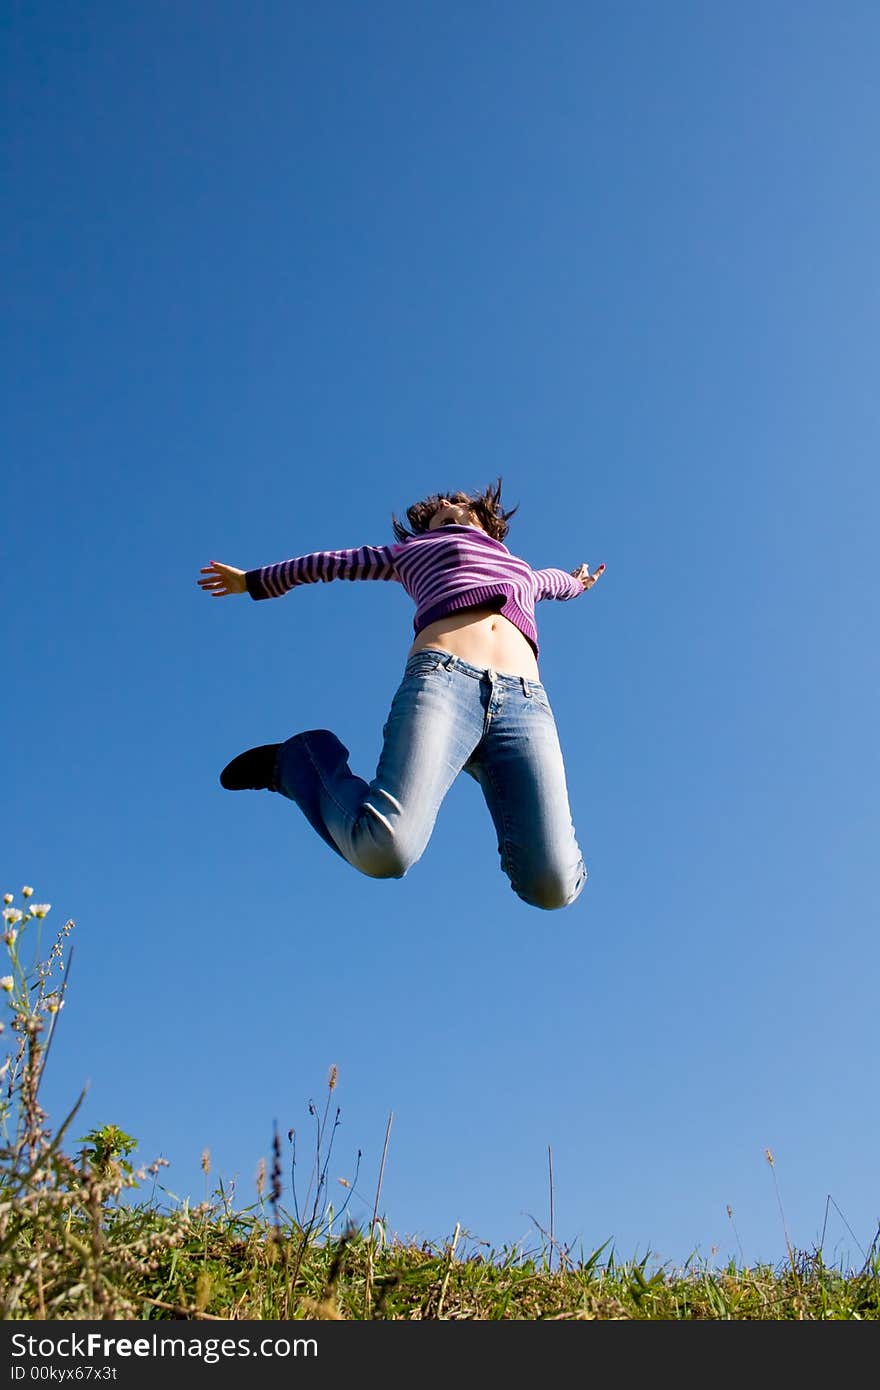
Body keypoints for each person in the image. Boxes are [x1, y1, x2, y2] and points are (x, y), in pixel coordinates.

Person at [198, 480, 604, 910]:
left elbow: (554, 582)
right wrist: (255, 581)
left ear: (487, 519)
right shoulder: (413, 552)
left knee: (553, 886)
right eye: (437, 511)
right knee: (385, 850)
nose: (446, 504)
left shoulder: (521, 569)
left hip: (524, 707)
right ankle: (302, 759)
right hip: (444, 685)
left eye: (458, 502)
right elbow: (330, 563)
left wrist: (578, 582)